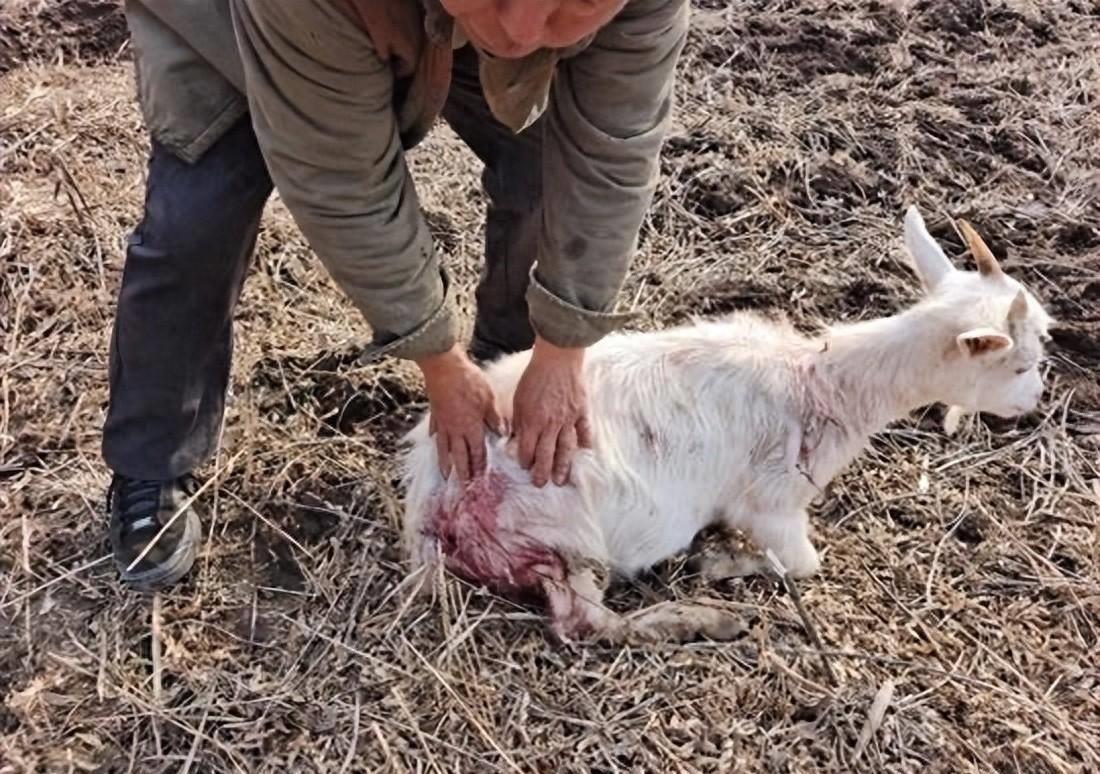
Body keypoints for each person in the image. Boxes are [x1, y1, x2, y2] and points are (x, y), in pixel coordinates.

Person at [106, 0, 689, 590]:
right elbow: (340, 175)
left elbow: (611, 147)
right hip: (240, 20)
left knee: (542, 154)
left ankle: (503, 383)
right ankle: (151, 463)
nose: (520, 31)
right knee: (197, 219)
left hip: (434, 16)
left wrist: (561, 348)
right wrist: (437, 359)